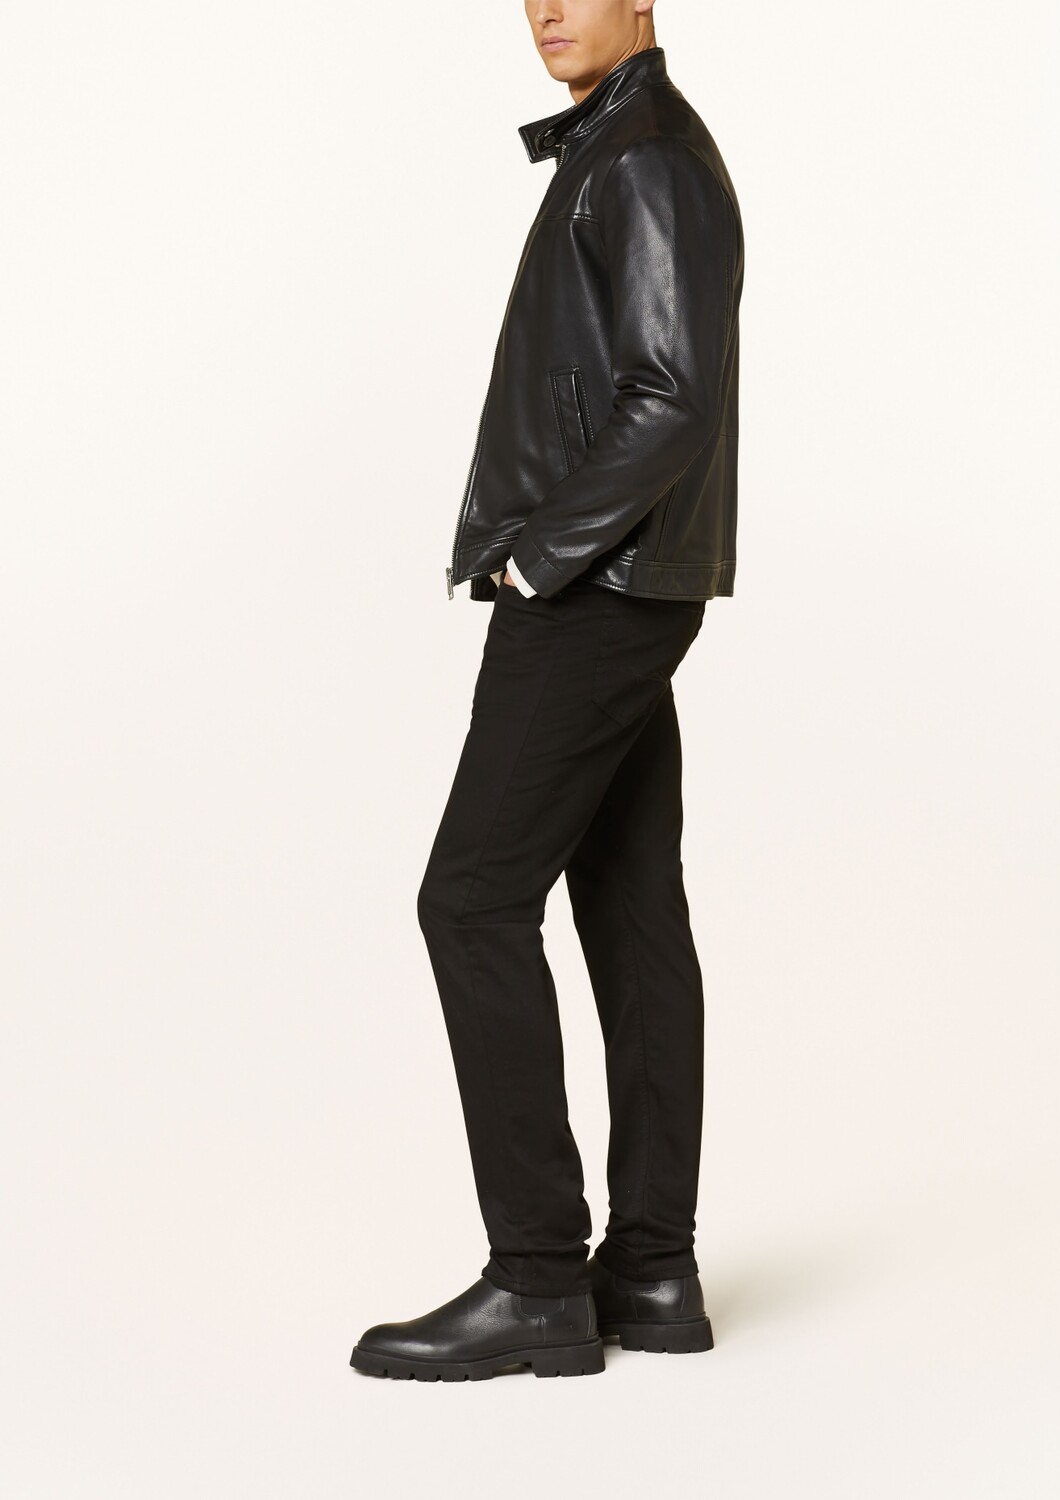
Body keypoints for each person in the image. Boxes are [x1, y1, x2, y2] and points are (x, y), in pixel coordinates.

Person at [351, 0, 744, 1381]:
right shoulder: (623, 148)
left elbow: (672, 392)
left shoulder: (644, 157)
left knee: (469, 899)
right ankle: (650, 1270)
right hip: (628, 583)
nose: (547, 10)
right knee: (630, 905)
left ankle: (535, 1280)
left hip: (597, 588)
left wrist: (539, 559)